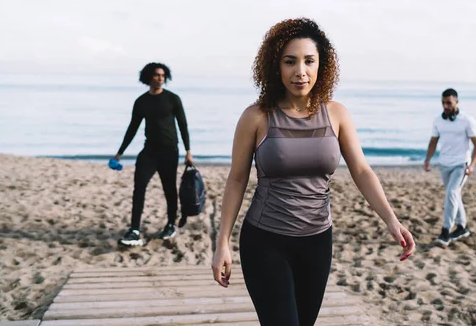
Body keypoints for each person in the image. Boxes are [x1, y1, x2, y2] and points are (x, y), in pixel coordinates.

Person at [211, 18, 416, 326]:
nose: (300, 71)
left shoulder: (337, 114)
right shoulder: (256, 116)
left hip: (317, 241)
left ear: (322, 65)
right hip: (265, 241)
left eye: (309, 61)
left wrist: (391, 220)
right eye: (290, 61)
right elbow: (237, 178)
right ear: (275, 66)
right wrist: (222, 242)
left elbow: (361, 170)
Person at [112, 63, 193, 247]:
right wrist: (119, 153)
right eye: (156, 75)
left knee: (169, 190)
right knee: (138, 188)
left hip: (169, 151)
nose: (160, 78)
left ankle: (171, 224)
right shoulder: (141, 102)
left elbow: (183, 125)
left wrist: (188, 151)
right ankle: (134, 230)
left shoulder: (173, 99)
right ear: (149, 77)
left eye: (163, 75)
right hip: (149, 152)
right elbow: (132, 128)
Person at [423, 88, 476, 246]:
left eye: (448, 102)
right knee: (454, 195)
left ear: (456, 102)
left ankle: (445, 231)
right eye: (443, 102)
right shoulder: (438, 120)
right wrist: (427, 159)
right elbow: (433, 142)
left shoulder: (467, 120)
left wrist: (472, 165)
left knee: (451, 192)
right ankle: (462, 227)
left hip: (461, 164)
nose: (445, 106)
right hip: (444, 164)